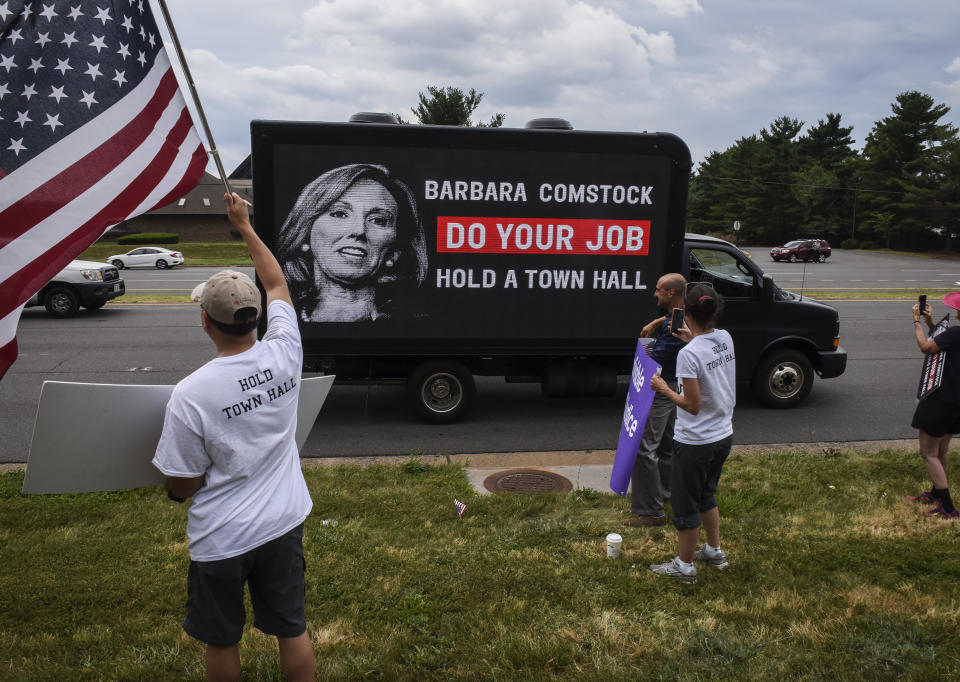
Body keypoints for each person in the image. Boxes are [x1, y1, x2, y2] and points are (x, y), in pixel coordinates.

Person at [152, 193, 316, 681]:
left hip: (221, 540)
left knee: (221, 638)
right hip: (284, 521)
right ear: (257, 317)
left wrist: (177, 490)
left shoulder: (191, 394)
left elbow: (182, 483)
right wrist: (244, 225)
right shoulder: (285, 348)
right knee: (293, 629)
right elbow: (277, 282)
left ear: (205, 320)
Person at [648, 284, 736, 584]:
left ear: (684, 311)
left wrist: (664, 388)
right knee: (707, 495)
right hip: (722, 436)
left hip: (695, 441)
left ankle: (684, 567)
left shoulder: (689, 355)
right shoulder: (724, 338)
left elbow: (691, 405)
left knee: (686, 506)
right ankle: (714, 550)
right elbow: (708, 352)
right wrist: (692, 338)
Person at [276, 163, 428, 322]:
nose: (359, 231)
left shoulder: (413, 325)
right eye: (339, 214)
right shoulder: (282, 317)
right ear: (306, 231)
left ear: (396, 250)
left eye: (378, 220)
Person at [623, 273, 687, 528]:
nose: (655, 293)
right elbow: (675, 316)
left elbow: (655, 359)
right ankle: (667, 495)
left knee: (644, 446)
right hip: (677, 384)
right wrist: (657, 321)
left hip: (663, 387)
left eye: (659, 289)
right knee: (667, 446)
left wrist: (640, 360)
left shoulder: (674, 328)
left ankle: (651, 512)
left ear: (671, 293)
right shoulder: (682, 313)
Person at [909, 293, 960, 519]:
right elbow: (943, 341)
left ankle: (947, 506)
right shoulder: (953, 335)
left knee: (928, 453)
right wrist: (931, 322)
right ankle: (935, 493)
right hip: (957, 403)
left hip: (942, 398)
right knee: (941, 450)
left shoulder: (956, 333)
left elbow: (926, 347)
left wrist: (917, 321)